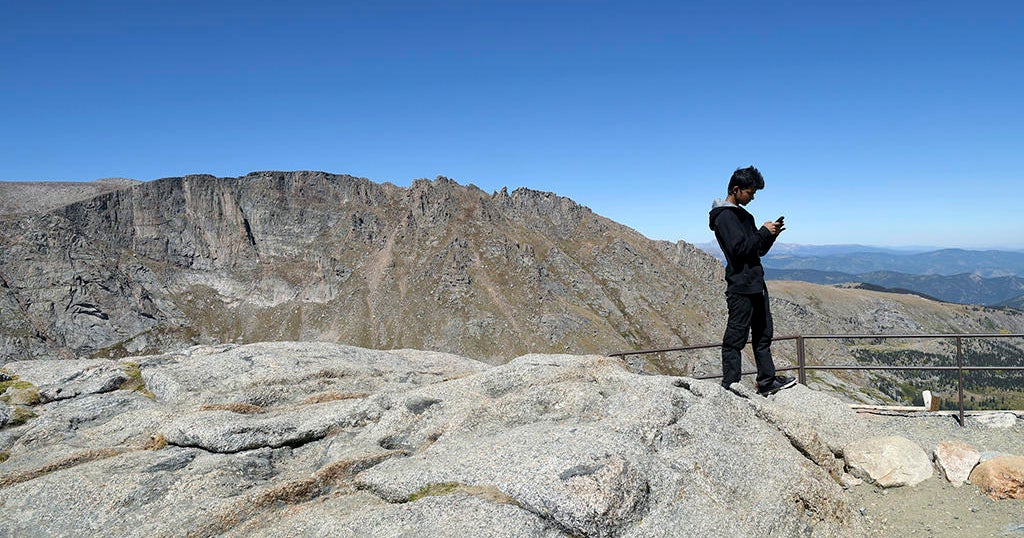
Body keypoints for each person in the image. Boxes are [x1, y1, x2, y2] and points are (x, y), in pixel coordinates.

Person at [708, 166, 796, 396]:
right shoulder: (725, 217)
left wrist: (770, 236)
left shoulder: (745, 216)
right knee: (735, 339)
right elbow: (738, 251)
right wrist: (763, 233)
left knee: (763, 334)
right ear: (736, 189)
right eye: (750, 192)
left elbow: (756, 251)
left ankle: (766, 382)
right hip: (741, 287)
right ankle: (731, 386)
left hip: (756, 285)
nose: (753, 197)